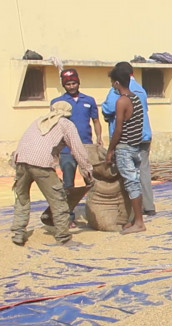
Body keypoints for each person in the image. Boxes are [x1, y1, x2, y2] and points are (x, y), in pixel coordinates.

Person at [11, 101, 93, 246]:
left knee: (22, 199)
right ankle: (63, 238)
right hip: (42, 164)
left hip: (21, 161)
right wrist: (87, 171)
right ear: (68, 113)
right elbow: (78, 150)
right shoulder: (66, 124)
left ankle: (18, 232)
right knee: (59, 200)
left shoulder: (39, 120)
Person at [102, 62, 156, 216]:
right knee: (143, 172)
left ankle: (132, 213)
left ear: (117, 81)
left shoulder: (119, 96)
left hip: (125, 141)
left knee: (128, 178)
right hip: (143, 136)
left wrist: (110, 150)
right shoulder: (140, 91)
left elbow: (109, 110)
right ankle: (148, 206)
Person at [51, 69, 102, 227]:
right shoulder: (57, 103)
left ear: (78, 83)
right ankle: (69, 217)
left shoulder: (89, 100)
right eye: (68, 84)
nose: (71, 86)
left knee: (92, 180)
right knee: (68, 184)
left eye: (74, 83)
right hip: (66, 150)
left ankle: (96, 212)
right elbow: (53, 124)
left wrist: (99, 138)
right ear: (63, 85)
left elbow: (96, 121)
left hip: (86, 147)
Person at [104, 65, 147, 235]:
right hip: (135, 146)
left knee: (131, 183)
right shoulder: (136, 97)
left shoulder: (122, 101)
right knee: (135, 181)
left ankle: (139, 222)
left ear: (116, 82)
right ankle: (135, 219)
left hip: (125, 148)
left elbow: (118, 129)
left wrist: (110, 150)